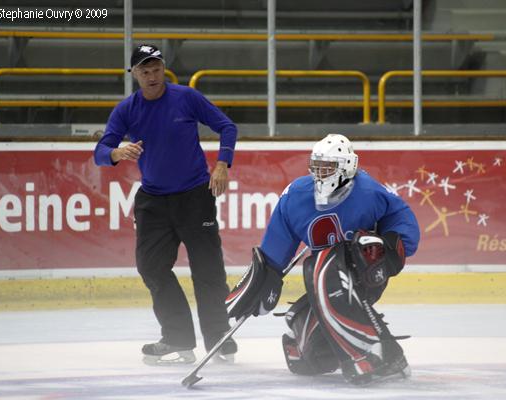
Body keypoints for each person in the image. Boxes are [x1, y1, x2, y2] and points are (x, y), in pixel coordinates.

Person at [225, 134, 420, 385]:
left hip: (364, 272)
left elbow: (401, 218)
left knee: (321, 264)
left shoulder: (370, 192)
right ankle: (336, 347)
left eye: (328, 167)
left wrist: (392, 250)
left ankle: (382, 355)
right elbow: (276, 247)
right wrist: (264, 279)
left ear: (348, 165)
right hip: (322, 280)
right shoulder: (296, 195)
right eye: (317, 166)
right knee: (309, 355)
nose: (321, 173)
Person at [93, 44, 238, 365]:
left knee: (208, 270)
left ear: (163, 69)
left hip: (194, 197)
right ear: (134, 74)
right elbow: (100, 151)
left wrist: (222, 163)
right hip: (153, 202)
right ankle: (177, 338)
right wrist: (117, 153)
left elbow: (227, 126)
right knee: (152, 267)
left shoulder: (186, 97)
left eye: (156, 68)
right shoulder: (127, 110)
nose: (152, 75)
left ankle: (219, 338)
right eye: (144, 70)